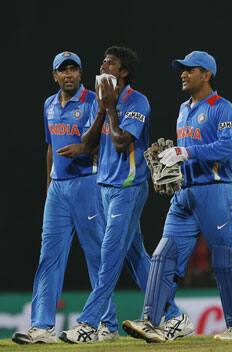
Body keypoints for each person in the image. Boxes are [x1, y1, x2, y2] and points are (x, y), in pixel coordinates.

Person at [59, 46, 187, 343]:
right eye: (102, 60)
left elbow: (120, 143)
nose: (103, 65)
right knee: (136, 259)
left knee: (109, 256)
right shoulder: (101, 100)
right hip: (104, 187)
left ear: (124, 72)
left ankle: (90, 323)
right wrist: (103, 107)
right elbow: (89, 144)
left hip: (128, 188)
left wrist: (112, 107)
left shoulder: (137, 102)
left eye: (111, 63)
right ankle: (174, 315)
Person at [122, 50, 232, 342]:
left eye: (189, 69)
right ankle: (152, 322)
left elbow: (227, 148)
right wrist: (170, 166)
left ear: (206, 75)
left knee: (225, 259)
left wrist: (185, 151)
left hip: (215, 192)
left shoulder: (222, 107)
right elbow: (183, 154)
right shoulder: (183, 108)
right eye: (181, 69)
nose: (182, 74)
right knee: (163, 255)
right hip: (184, 194)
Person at [11, 51, 119, 344]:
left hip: (87, 185)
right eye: (63, 71)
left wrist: (83, 150)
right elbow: (50, 149)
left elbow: (105, 145)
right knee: (49, 257)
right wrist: (49, 188)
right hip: (58, 189)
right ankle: (42, 326)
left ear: (81, 73)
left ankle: (106, 324)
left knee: (97, 254)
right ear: (54, 75)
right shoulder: (48, 104)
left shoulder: (92, 102)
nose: (69, 75)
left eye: (74, 70)